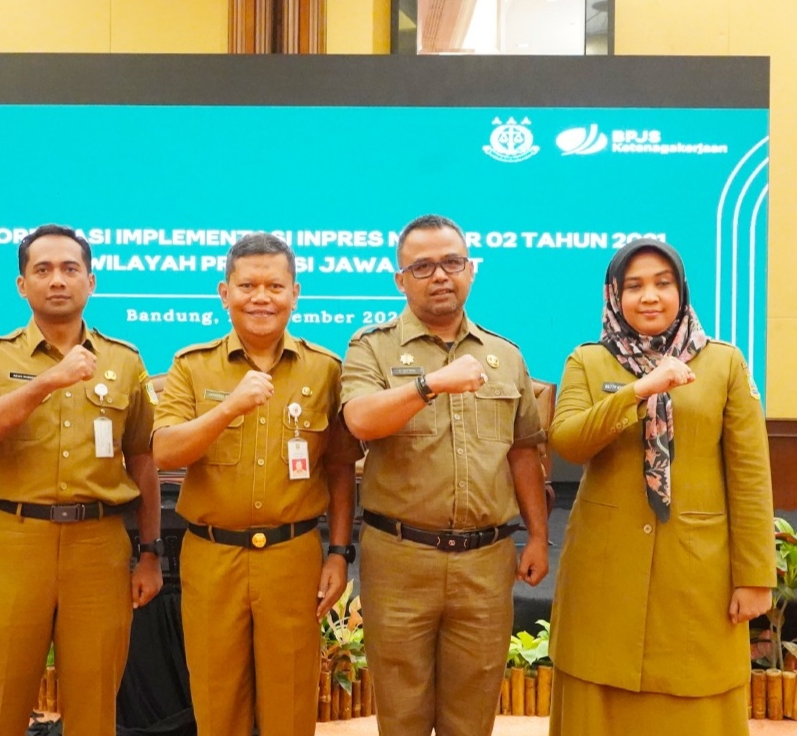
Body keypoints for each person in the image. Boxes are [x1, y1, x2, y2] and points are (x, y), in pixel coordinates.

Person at [547, 238, 775, 735]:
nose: (649, 296)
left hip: (697, 574)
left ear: (681, 291)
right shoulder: (588, 361)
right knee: (597, 691)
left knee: (697, 695)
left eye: (662, 283)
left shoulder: (723, 363)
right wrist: (637, 390)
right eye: (634, 286)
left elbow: (751, 477)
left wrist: (756, 575)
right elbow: (568, 441)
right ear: (615, 295)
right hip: (604, 574)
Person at [341, 213, 549, 736]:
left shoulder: (505, 355)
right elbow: (361, 418)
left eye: (452, 262)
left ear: (471, 270)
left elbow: (524, 451)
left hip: (485, 562)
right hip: (400, 558)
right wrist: (430, 385)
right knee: (402, 712)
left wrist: (540, 537)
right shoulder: (372, 347)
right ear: (401, 279)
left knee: (473, 713)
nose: (440, 275)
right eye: (423, 266)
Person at [0, 224, 162, 736]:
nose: (57, 280)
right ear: (21, 285)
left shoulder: (124, 360)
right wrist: (49, 380)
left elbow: (142, 459)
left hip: (99, 545)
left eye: (70, 269)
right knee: (1, 695)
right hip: (16, 539)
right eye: (42, 270)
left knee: (94, 706)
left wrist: (152, 552)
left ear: (91, 281)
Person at [152, 232, 361, 736]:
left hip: (293, 558)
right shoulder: (191, 366)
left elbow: (338, 470)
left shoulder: (326, 369)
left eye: (274, 285)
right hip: (212, 556)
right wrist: (228, 408)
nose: (261, 297)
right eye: (247, 286)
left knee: (290, 706)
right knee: (217, 702)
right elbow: (163, 452)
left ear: (295, 293)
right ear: (225, 293)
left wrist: (338, 551)